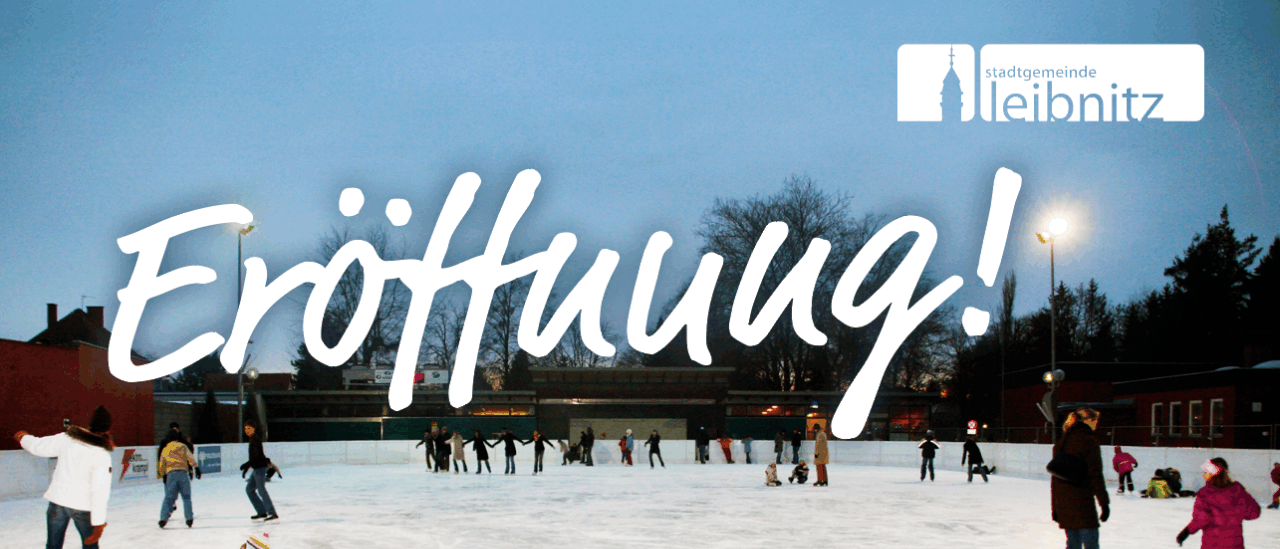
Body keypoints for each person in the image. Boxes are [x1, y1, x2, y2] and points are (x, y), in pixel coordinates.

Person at [14, 405, 113, 548]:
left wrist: (24, 438)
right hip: (82, 507)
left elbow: (39, 446)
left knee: (53, 545)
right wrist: (98, 523)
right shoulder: (101, 455)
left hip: (58, 501)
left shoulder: (67, 439)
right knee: (90, 545)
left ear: (90, 424)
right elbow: (99, 491)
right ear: (108, 429)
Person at [1050, 408, 1109, 549]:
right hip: (1082, 502)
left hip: (1064, 502)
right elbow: (1096, 474)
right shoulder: (1089, 441)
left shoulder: (1061, 442)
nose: (1096, 424)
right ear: (1088, 420)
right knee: (1091, 543)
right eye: (1095, 420)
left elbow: (1055, 478)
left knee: (1073, 543)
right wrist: (1104, 503)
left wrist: (1055, 506)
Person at [1175, 458, 1261, 548]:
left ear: (1210, 474)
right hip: (1235, 544)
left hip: (1212, 544)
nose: (1204, 475)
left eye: (1205, 472)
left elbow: (1201, 520)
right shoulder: (1237, 490)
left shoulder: (1205, 494)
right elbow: (1254, 513)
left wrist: (1186, 532)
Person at [157, 428, 201, 528]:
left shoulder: (166, 449)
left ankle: (163, 519)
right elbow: (190, 457)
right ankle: (189, 518)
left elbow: (162, 463)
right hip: (183, 473)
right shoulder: (183, 446)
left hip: (171, 474)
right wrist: (196, 467)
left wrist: (163, 474)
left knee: (169, 498)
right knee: (186, 497)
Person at [239, 420, 278, 522]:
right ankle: (261, 511)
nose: (246, 430)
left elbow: (256, 456)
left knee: (261, 489)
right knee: (249, 489)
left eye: (248, 428)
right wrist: (248, 466)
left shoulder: (255, 439)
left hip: (260, 467)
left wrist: (247, 465)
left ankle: (272, 513)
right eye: (245, 429)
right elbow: (253, 457)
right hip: (257, 467)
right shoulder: (252, 439)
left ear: (253, 428)